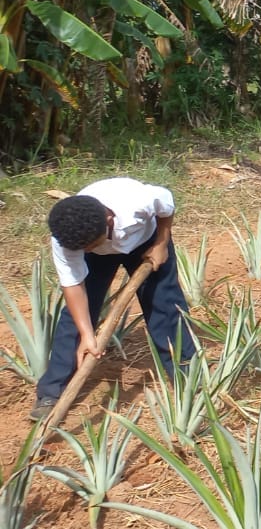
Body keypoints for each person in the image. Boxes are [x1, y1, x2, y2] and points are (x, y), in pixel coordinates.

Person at [34, 178, 195, 420]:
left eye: (89, 246)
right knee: (76, 319)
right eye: (82, 249)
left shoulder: (137, 203)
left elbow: (167, 204)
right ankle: (51, 391)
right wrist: (88, 335)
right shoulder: (67, 239)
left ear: (109, 220)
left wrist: (161, 244)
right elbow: (73, 285)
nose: (84, 252)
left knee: (165, 305)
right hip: (101, 256)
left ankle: (188, 374)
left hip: (147, 240)